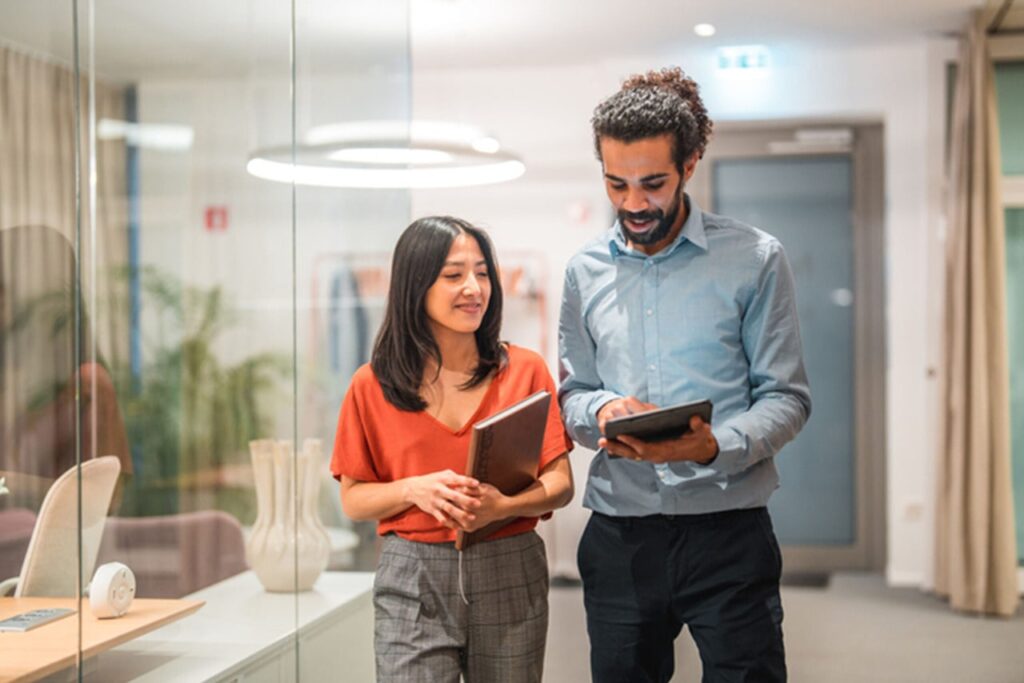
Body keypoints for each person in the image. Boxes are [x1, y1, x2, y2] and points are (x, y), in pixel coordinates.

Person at [558, 67, 812, 683]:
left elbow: (787, 396)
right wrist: (601, 412)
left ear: (691, 163)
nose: (634, 204)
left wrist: (715, 445)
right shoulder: (583, 270)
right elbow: (572, 393)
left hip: (728, 531)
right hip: (620, 535)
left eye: (653, 183)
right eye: (616, 183)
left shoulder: (755, 259)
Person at [331, 215, 574, 682]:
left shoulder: (524, 371)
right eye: (453, 275)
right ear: (415, 285)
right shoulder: (371, 384)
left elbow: (560, 484)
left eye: (482, 273)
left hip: (510, 564)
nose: (474, 288)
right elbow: (354, 497)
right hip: (412, 575)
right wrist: (413, 490)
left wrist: (505, 505)